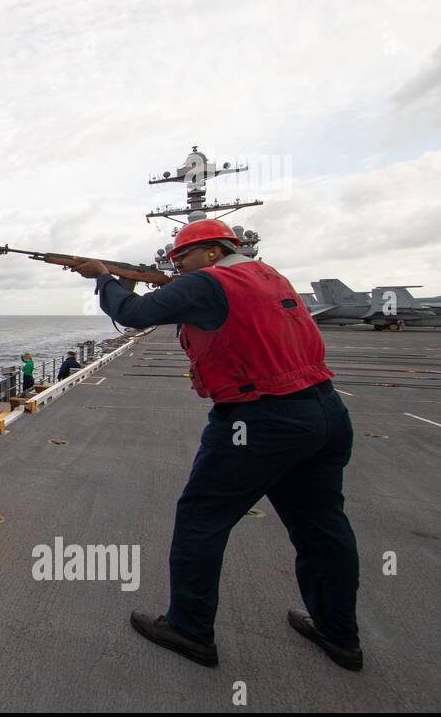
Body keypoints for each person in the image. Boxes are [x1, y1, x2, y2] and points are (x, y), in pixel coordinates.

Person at [72, 219, 361, 670]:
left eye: (181, 257)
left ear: (211, 252)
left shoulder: (211, 281)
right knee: (321, 527)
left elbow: (133, 315)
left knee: (200, 519)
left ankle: (189, 630)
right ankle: (339, 634)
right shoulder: (269, 276)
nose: (178, 267)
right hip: (324, 413)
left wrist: (103, 278)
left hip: (262, 418)